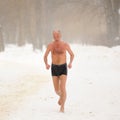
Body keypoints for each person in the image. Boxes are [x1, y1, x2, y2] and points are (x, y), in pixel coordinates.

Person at [44, 30, 74, 112]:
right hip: (54, 68)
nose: (55, 36)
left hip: (63, 67)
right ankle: (61, 97)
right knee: (57, 90)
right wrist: (46, 64)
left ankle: (62, 107)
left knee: (62, 87)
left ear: (60, 35)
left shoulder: (65, 45)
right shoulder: (50, 45)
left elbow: (72, 54)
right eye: (54, 35)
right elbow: (45, 56)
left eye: (57, 35)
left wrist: (70, 63)